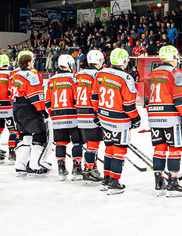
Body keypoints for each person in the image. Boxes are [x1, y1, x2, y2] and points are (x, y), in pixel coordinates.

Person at [91, 48, 140, 194]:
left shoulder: (100, 74)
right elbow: (128, 105)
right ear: (124, 62)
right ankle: (114, 182)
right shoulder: (126, 78)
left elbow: (94, 96)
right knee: (119, 150)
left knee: (109, 148)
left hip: (104, 118)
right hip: (120, 121)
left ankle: (106, 180)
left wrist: (96, 112)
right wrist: (136, 118)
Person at [145, 45, 182, 198]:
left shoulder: (151, 73)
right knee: (175, 149)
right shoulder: (176, 73)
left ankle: (158, 183)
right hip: (171, 117)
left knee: (159, 148)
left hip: (154, 116)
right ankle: (173, 182)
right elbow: (179, 98)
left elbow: (146, 99)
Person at [10, 50, 50, 177]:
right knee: (40, 134)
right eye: (32, 61)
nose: (33, 63)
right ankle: (35, 165)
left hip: (16, 109)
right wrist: (42, 110)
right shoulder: (31, 75)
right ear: (28, 63)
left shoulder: (15, 75)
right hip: (28, 109)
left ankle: (20, 165)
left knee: (25, 135)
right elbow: (35, 95)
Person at [47, 54, 82, 180]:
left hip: (57, 117)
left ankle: (61, 168)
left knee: (60, 143)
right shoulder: (73, 78)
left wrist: (53, 115)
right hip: (72, 116)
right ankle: (77, 168)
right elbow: (76, 98)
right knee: (77, 142)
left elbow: (48, 102)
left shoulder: (51, 80)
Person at [74, 49, 105, 182]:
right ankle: (88, 169)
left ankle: (91, 167)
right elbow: (98, 95)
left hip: (80, 111)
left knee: (87, 142)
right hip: (92, 111)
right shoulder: (98, 75)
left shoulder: (78, 75)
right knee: (93, 143)